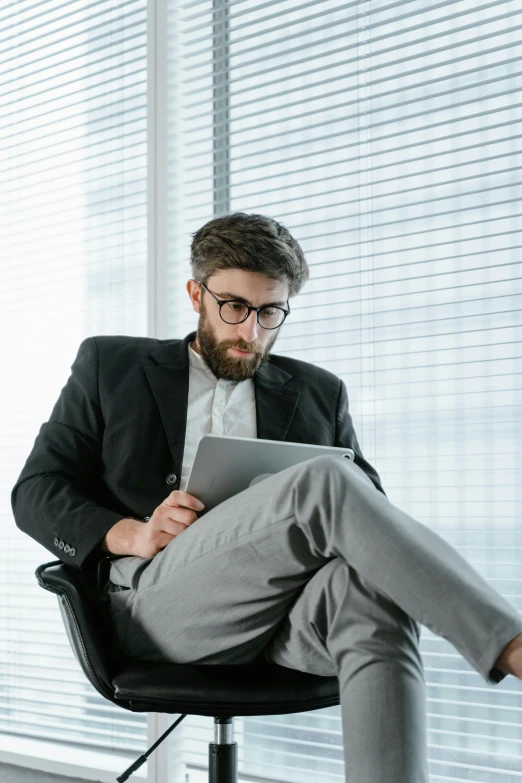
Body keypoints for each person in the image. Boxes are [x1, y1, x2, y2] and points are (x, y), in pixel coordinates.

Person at [11, 212, 522, 782]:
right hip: (158, 607)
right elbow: (36, 491)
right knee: (323, 481)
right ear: (195, 294)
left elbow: (368, 507)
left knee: (366, 597)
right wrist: (135, 532)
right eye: (233, 306)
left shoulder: (319, 391)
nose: (250, 331)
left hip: (288, 614)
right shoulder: (113, 366)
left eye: (270, 312)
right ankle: (511, 645)